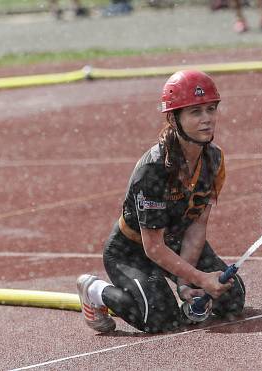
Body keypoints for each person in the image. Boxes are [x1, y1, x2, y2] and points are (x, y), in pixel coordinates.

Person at [76, 70, 246, 333]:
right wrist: (200, 277)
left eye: (211, 109)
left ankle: (172, 289)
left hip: (176, 242)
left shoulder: (214, 160)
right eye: (195, 112)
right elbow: (153, 247)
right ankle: (94, 290)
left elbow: (197, 227)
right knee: (160, 319)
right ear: (173, 118)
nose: (207, 120)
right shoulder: (153, 170)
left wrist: (184, 282)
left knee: (232, 298)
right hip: (132, 251)